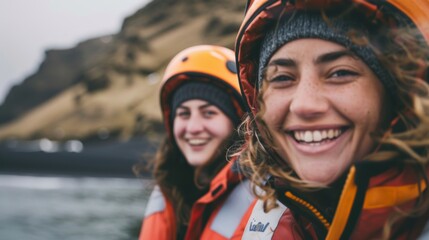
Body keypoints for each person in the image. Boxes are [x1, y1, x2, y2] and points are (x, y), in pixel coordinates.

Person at [233, 0, 429, 239]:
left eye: (340, 73)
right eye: (282, 78)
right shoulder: (264, 222)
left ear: (400, 93)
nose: (304, 105)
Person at [136, 45, 255, 240]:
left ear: (237, 122)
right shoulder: (170, 187)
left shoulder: (263, 198)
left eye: (208, 113)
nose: (193, 128)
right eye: (184, 114)